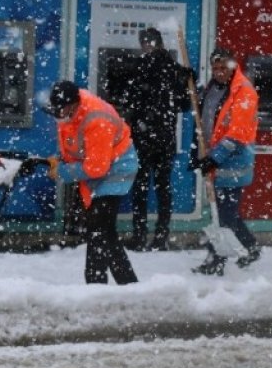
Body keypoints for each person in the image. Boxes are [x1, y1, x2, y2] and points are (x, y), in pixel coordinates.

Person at [45, 80, 139, 285]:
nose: (59, 115)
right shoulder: (66, 111)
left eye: (62, 110)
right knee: (106, 231)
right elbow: (71, 143)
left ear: (74, 103)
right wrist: (59, 159)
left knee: (98, 227)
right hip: (97, 169)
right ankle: (129, 284)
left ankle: (95, 285)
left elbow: (97, 168)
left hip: (117, 169)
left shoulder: (97, 119)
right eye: (56, 110)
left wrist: (62, 172)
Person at [189, 48, 260, 276]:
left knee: (223, 215)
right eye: (215, 68)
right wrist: (198, 152)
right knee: (224, 211)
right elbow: (202, 117)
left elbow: (237, 134)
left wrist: (213, 158)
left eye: (223, 67)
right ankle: (249, 246)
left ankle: (217, 259)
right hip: (216, 159)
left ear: (233, 65)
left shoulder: (244, 92)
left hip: (234, 163)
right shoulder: (212, 88)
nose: (219, 72)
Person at [121, 27, 191, 252]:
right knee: (163, 187)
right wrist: (188, 78)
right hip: (166, 137)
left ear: (147, 44)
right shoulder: (175, 68)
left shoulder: (140, 66)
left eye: (145, 43)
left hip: (143, 137)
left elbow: (130, 103)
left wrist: (134, 117)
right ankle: (161, 237)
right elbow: (185, 105)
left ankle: (139, 236)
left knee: (140, 188)